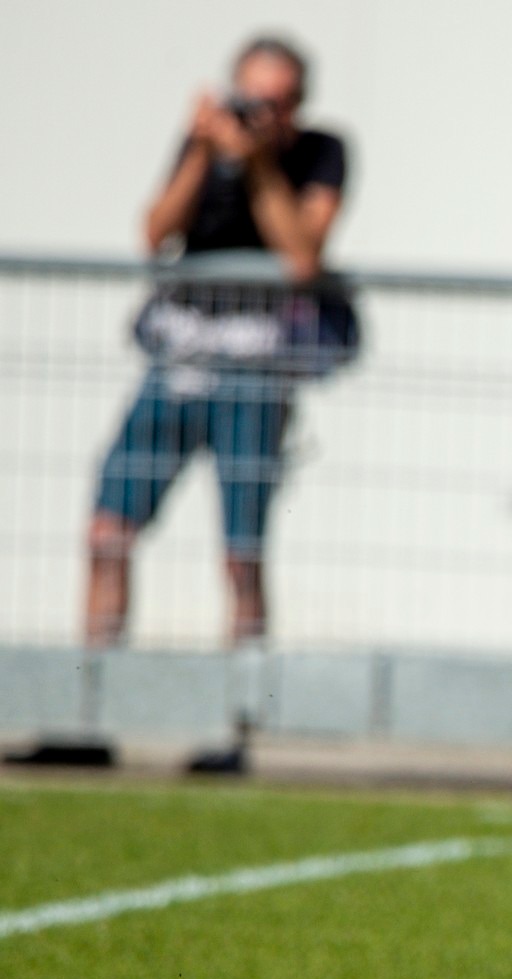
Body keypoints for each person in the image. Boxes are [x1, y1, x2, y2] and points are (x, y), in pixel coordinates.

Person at [87, 34, 347, 652]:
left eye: (275, 103)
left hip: (257, 369)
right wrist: (203, 149)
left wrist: (258, 165)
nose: (258, 114)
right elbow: (155, 232)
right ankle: (87, 693)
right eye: (249, 98)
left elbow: (302, 255)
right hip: (178, 359)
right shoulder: (204, 144)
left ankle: (241, 702)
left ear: (298, 104)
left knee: (241, 555)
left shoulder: (320, 152)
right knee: (107, 533)